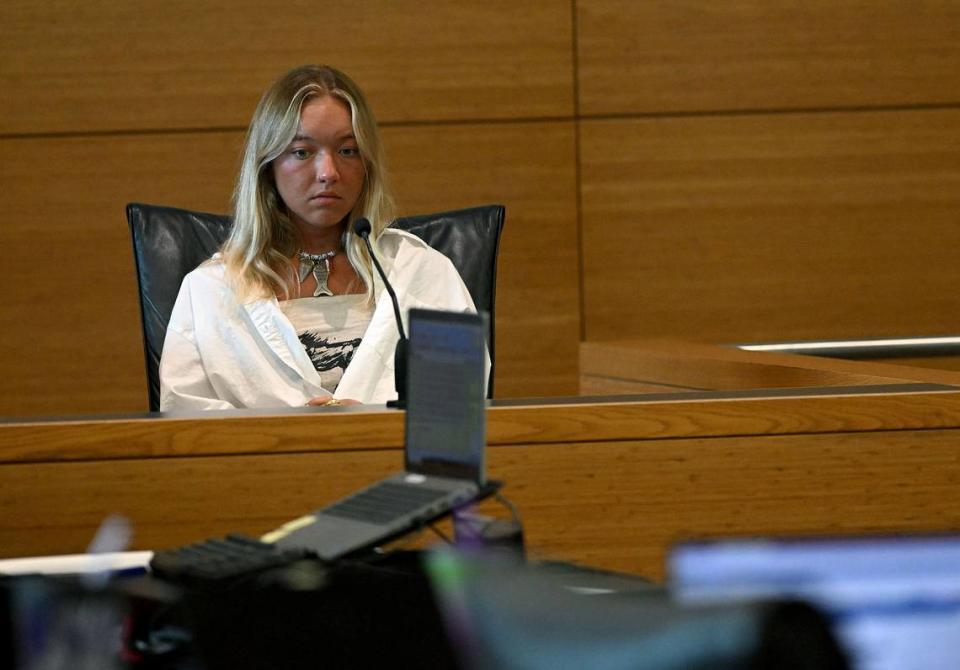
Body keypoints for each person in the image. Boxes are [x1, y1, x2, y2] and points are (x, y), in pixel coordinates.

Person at [159, 65, 482, 410]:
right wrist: (292, 434)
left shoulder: (424, 273)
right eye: (302, 152)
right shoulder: (209, 291)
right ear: (268, 166)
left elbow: (459, 417)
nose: (328, 173)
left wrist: (372, 428)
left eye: (347, 151)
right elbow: (184, 424)